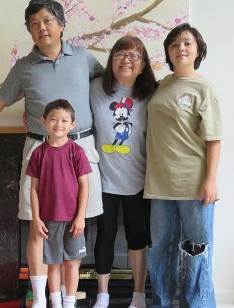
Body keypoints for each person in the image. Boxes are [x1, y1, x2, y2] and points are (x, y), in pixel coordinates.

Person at [0, 0, 103, 306]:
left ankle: (66, 298)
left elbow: (107, 90)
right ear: (29, 31)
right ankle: (39, 298)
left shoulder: (83, 58)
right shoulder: (24, 67)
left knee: (76, 227)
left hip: (81, 150)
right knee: (37, 225)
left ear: (62, 25)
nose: (42, 28)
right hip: (39, 149)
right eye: (34, 24)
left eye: (48, 20)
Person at [144, 23, 222, 307]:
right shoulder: (163, 85)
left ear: (198, 49)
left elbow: (214, 138)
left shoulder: (204, 87)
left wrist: (211, 180)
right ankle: (162, 302)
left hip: (194, 184)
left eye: (187, 43)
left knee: (196, 250)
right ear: (168, 51)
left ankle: (198, 304)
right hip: (159, 185)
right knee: (160, 250)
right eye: (175, 44)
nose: (181, 49)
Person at [90, 35, 158, 308]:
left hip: (139, 180)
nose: (127, 60)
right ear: (111, 59)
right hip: (103, 179)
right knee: (105, 235)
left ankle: (139, 295)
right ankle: (103, 294)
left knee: (137, 237)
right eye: (120, 54)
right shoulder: (94, 87)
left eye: (134, 56)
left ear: (143, 65)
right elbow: (66, 107)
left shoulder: (153, 93)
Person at [26, 99, 90, 308]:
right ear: (44, 121)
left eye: (64, 120)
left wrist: (80, 216)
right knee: (53, 263)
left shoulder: (77, 152)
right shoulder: (38, 153)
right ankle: (55, 302)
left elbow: (84, 186)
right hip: (48, 219)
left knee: (71, 263)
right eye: (53, 119)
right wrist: (36, 218)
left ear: (72, 124)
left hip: (73, 220)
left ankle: (69, 303)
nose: (58, 124)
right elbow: (34, 189)